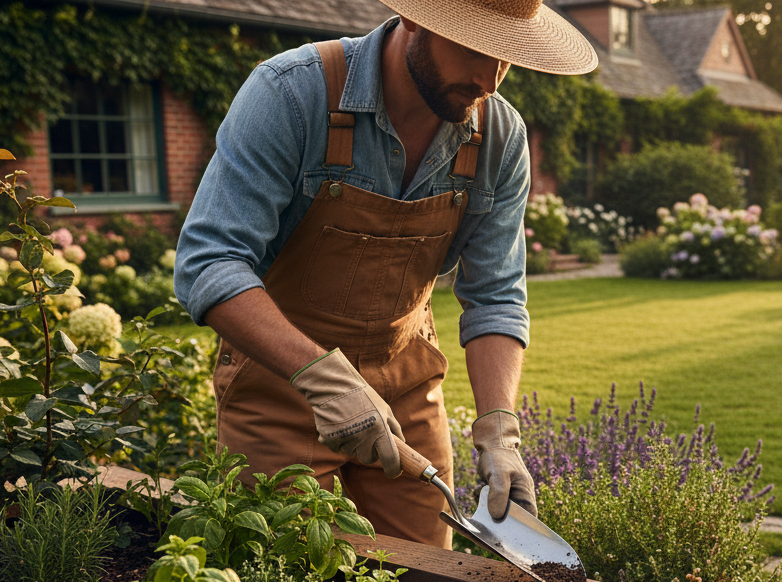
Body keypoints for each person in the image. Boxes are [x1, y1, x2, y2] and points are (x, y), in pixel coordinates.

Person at [173, 0, 597, 548]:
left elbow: (495, 296)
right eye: (474, 49)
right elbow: (209, 262)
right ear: (417, 18)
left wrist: (500, 430)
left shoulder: (498, 136)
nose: (489, 81)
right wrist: (326, 379)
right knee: (289, 573)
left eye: (505, 57)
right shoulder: (292, 93)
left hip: (405, 386)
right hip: (281, 388)